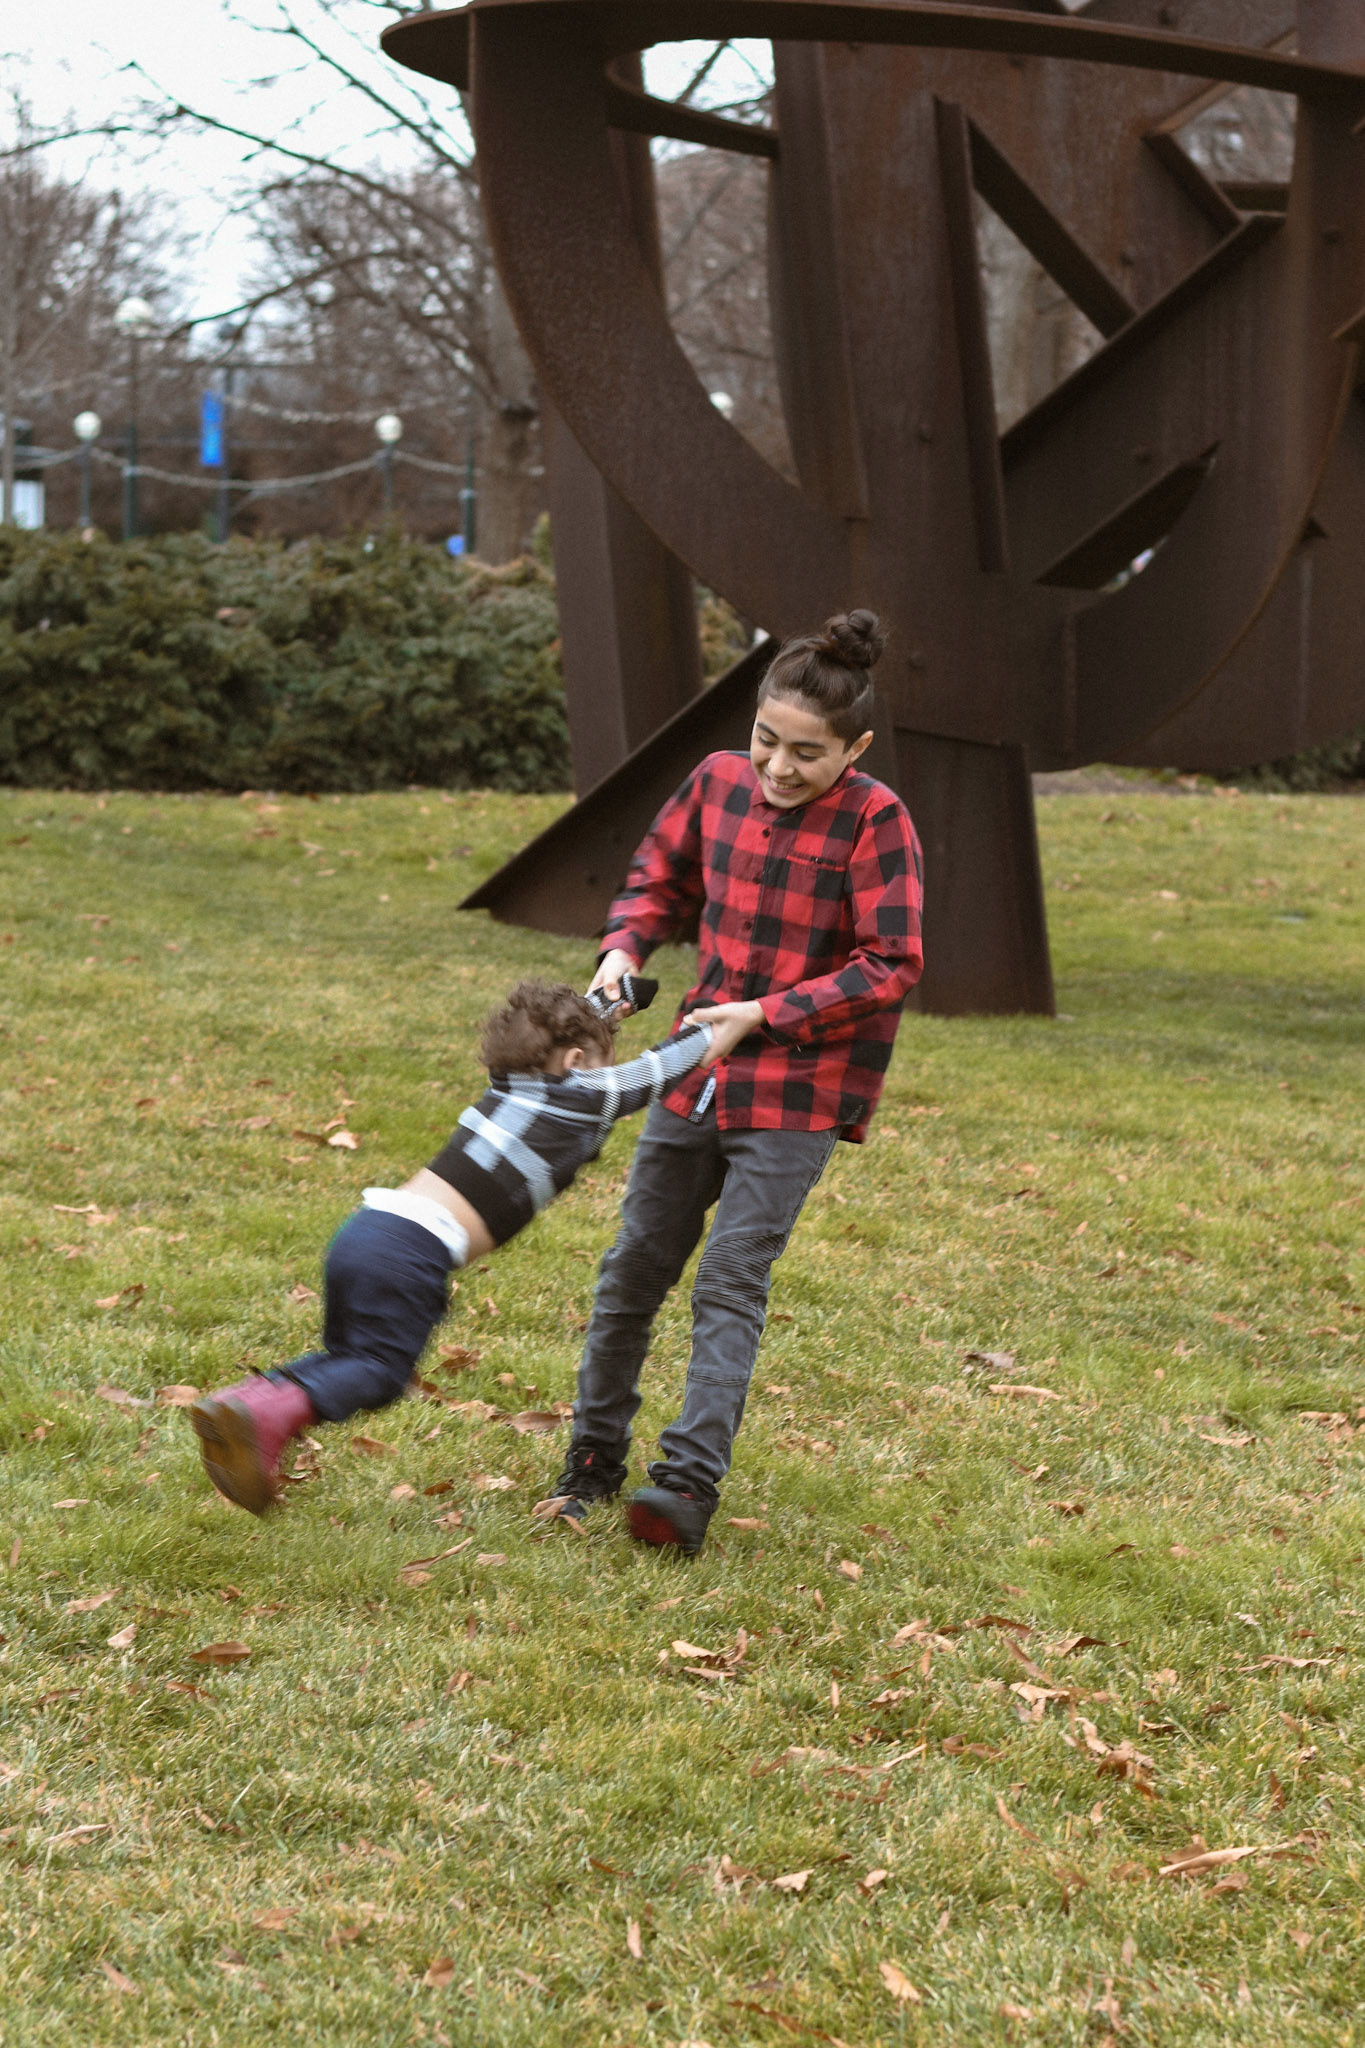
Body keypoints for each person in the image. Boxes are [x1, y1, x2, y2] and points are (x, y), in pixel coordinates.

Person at [536, 609, 925, 1557]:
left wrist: (766, 1013)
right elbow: (655, 884)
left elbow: (891, 963)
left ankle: (683, 1486)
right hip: (692, 1071)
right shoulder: (715, 782)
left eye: (807, 753)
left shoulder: (875, 819)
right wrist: (621, 952)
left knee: (730, 1278)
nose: (778, 767)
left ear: (854, 749)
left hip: (799, 1090)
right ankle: (590, 1462)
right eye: (766, 740)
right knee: (633, 1269)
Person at [190, 979, 711, 1515]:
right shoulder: (586, 1095)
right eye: (602, 1064)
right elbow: (659, 1070)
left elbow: (561, 1035)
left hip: (369, 1231)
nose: (607, 1074)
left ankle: (245, 1403)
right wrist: (721, 1023)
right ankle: (264, 1418)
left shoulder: (513, 1082)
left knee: (351, 1358)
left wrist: (609, 1008)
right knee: (380, 1371)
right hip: (412, 1253)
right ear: (577, 1062)